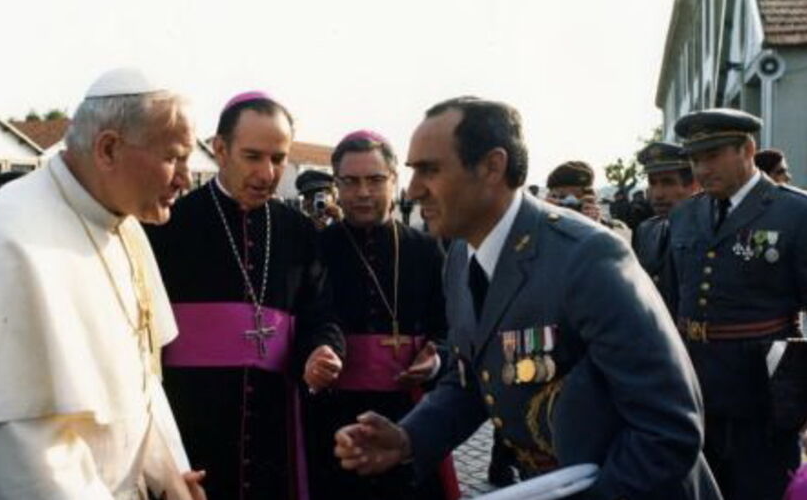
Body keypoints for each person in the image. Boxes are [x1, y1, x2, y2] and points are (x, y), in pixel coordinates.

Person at [335, 96, 720, 500]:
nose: (413, 190)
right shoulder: (461, 256)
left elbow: (668, 428)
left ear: (492, 167)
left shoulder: (585, 257)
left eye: (430, 170)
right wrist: (408, 438)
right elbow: (470, 380)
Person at [0, 68, 206, 499]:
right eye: (174, 158)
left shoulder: (124, 228)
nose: (185, 178)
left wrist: (168, 475)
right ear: (108, 148)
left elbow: (140, 384)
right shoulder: (8, 240)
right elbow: (17, 447)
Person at [146, 91, 345, 500]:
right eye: (253, 156)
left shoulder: (298, 231)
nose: (267, 173)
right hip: (191, 422)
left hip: (274, 428)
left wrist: (321, 350)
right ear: (220, 149)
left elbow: (319, 316)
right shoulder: (170, 225)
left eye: (278, 158)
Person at [305, 130, 458, 500]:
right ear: (337, 184)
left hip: (409, 412)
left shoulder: (426, 248)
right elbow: (306, 319)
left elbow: (449, 325)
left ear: (394, 180)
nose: (363, 192)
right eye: (350, 181)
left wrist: (435, 357)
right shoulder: (317, 247)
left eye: (375, 180)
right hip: (334, 412)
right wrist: (316, 353)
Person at [668, 108, 807, 500]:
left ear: (747, 149)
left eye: (712, 156)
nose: (701, 169)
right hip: (695, 386)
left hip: (763, 393)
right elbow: (672, 302)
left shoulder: (796, 213)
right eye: (695, 159)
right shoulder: (685, 215)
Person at [632, 141, 699, 309]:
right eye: (652, 183)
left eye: (668, 183)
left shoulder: (708, 230)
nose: (658, 194)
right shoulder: (646, 230)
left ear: (694, 185)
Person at [545, 160, 632, 242]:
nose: (568, 207)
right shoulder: (543, 226)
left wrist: (596, 226)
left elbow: (620, 248)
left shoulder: (617, 229)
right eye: (560, 197)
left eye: (577, 198)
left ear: (591, 199)